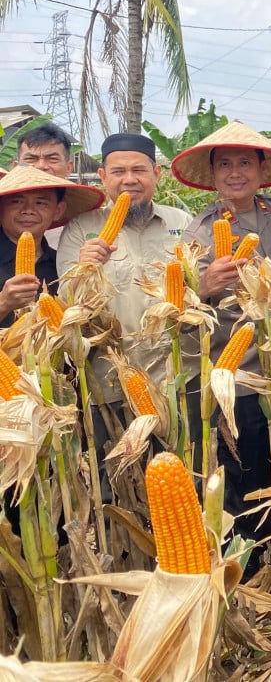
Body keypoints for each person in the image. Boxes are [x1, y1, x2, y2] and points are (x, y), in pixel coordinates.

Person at [170, 121, 271, 573]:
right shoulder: (200, 229)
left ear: (262, 169)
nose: (235, 173)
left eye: (244, 162)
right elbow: (177, 307)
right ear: (212, 175)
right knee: (241, 478)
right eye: (224, 165)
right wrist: (204, 286)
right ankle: (246, 569)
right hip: (237, 372)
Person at [57, 133, 192, 486]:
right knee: (115, 482)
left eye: (139, 170)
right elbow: (67, 306)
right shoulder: (82, 229)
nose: (129, 179)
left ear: (156, 174)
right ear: (102, 177)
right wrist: (86, 269)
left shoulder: (181, 221)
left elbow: (195, 290)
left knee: (176, 479)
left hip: (173, 379)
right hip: (109, 383)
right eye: (118, 171)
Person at [0, 166, 103, 327]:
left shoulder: (62, 265)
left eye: (41, 203)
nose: (28, 210)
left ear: (58, 210)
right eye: (17, 201)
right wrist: (4, 303)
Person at [17, 121, 77, 250]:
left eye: (52, 159)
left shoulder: (81, 226)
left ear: (69, 167)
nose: (41, 166)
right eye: (31, 159)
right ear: (16, 167)